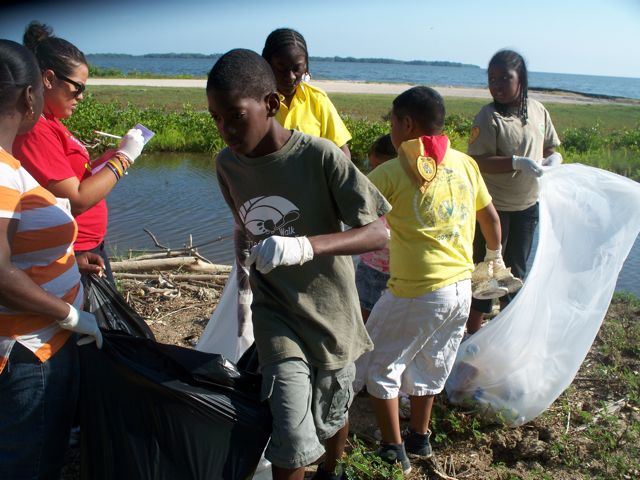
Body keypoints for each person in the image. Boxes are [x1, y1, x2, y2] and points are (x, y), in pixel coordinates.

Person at [206, 49, 390, 480]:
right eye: (215, 117)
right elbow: (243, 221)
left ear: (270, 104)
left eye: (234, 115)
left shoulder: (320, 157)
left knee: (331, 414)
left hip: (331, 313)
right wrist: (243, 266)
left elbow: (380, 231)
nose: (225, 129)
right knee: (290, 434)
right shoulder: (226, 165)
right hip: (276, 314)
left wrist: (304, 247)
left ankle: (332, 470)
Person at [356, 86, 502, 474]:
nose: (390, 128)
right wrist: (494, 256)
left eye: (391, 120)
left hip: (416, 291)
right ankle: (420, 438)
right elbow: (491, 219)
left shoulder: (389, 171)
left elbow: (354, 214)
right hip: (460, 289)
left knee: (378, 367)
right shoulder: (465, 164)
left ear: (405, 123)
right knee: (429, 365)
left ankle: (393, 449)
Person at [0, 38, 104, 480]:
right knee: (31, 465)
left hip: (40, 341)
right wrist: (69, 315)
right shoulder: (2, 171)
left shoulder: (9, 163)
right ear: (29, 95)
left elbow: (16, 244)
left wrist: (67, 263)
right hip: (29, 349)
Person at [13, 22, 146, 283]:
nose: (81, 97)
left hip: (84, 247)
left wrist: (105, 161)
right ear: (49, 79)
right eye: (78, 87)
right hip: (73, 248)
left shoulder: (52, 123)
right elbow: (76, 200)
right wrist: (123, 159)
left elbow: (69, 176)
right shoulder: (36, 129)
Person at [465, 49, 561, 334]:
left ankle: (506, 335)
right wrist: (516, 162)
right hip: (492, 209)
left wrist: (553, 160)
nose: (496, 85)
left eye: (504, 78)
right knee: (487, 274)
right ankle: (471, 337)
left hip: (527, 207)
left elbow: (549, 147)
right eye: (492, 79)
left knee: (516, 271)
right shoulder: (488, 116)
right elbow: (477, 161)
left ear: (521, 79)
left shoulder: (538, 110)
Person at [262, 28, 352, 159]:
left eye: (297, 68)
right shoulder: (257, 101)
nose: (291, 76)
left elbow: (342, 151)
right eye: (282, 68)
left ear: (306, 66)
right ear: (267, 63)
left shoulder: (318, 99)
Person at [355, 134, 396, 322]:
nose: (373, 172)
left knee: (370, 323)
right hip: (376, 268)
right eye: (370, 166)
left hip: (385, 271)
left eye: (377, 166)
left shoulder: (392, 189)